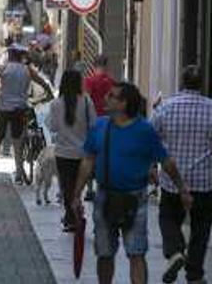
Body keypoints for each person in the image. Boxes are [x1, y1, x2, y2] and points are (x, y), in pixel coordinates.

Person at [70, 82, 192, 284]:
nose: (106, 98)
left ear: (124, 103)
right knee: (104, 253)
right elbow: (87, 161)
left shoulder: (145, 130)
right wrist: (77, 195)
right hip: (105, 197)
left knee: (136, 253)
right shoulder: (99, 126)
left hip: (136, 199)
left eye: (112, 96)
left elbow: (166, 161)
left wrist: (182, 189)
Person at [151, 66, 212, 284]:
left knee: (168, 217)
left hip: (172, 180)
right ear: (201, 84)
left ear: (182, 82)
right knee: (201, 227)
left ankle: (175, 251)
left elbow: (150, 139)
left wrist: (151, 166)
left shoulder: (165, 108)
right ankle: (195, 274)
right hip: (203, 180)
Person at [0, 45, 54, 184]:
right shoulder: (27, 70)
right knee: (18, 142)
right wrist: (49, 95)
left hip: (3, 107)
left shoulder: (4, 68)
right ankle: (18, 174)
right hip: (20, 108)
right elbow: (44, 83)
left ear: (10, 55)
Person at [45, 69, 96, 232]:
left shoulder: (56, 104)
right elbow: (94, 125)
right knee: (78, 186)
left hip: (63, 153)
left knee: (67, 186)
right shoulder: (87, 101)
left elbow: (52, 127)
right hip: (83, 153)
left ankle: (71, 216)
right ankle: (74, 214)